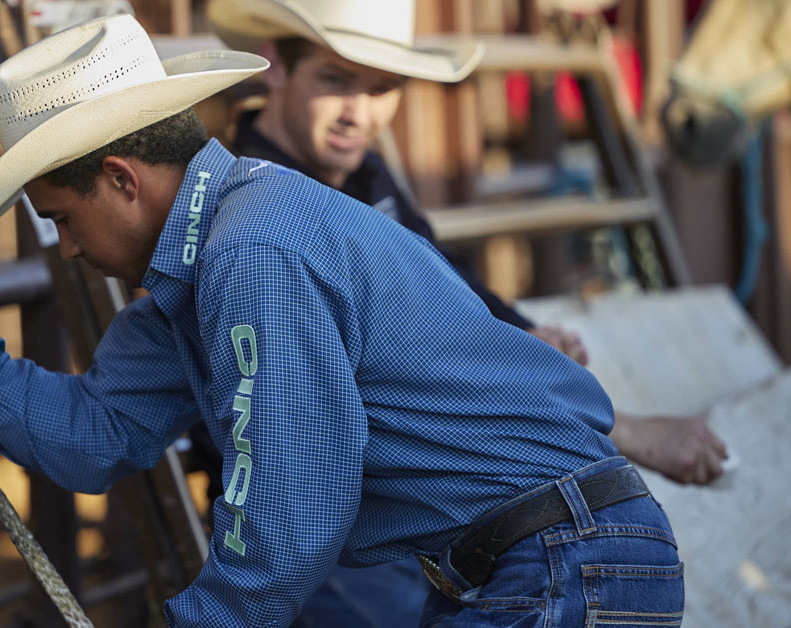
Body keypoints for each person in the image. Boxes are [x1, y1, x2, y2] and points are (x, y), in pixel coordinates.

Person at [0, 14, 683, 627]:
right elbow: (94, 436)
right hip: (548, 562)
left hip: (552, 565)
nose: (64, 248)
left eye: (60, 217)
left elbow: (289, 527)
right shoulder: (208, 260)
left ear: (121, 179)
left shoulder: (250, 257)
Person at [207, 0, 729, 490]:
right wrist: (622, 430)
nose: (359, 115)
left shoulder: (359, 173)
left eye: (383, 88)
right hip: (319, 507)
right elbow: (396, 361)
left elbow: (443, 279)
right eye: (336, 80)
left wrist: (525, 337)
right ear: (274, 65)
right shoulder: (262, 209)